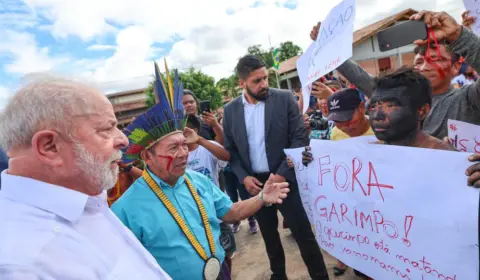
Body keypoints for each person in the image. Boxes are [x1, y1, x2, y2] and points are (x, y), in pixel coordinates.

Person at [112, 62, 290, 280]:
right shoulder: (124, 210)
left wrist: (262, 197)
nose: (183, 153)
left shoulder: (197, 180)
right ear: (147, 156)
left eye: (184, 145)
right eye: (173, 148)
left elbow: (231, 212)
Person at [302, 67, 480, 280]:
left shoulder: (450, 162)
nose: (377, 114)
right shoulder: (360, 155)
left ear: (422, 111)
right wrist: (314, 164)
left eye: (391, 105)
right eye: (375, 104)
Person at [0, 77, 171, 279]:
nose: (124, 140)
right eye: (106, 129)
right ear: (50, 147)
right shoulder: (24, 264)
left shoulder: (85, 197)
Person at [223, 55, 330, 280]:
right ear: (242, 83)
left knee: (303, 234)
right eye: (257, 81)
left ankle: (320, 276)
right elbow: (230, 151)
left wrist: (281, 174)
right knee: (269, 235)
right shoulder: (230, 110)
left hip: (286, 178)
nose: (264, 84)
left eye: (265, 78)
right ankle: (278, 275)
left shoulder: (283, 99)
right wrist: (243, 178)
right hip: (254, 185)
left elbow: (299, 137)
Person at [311, 10, 480, 140]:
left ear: (456, 67)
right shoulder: (398, 95)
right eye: (419, 62)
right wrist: (330, 46)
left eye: (435, 59)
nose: (425, 66)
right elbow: (360, 77)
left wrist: (458, 36)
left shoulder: (469, 98)